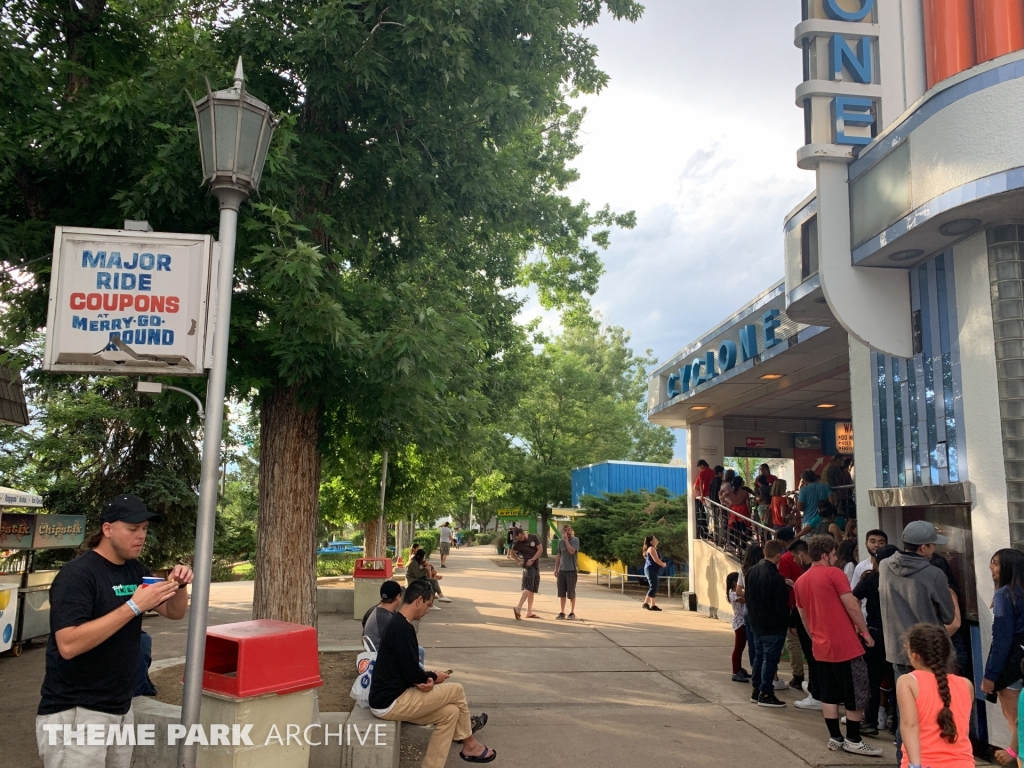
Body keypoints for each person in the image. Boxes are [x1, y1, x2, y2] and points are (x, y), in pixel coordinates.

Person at [36, 495, 193, 768]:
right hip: (76, 712)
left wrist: (179, 586)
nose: (141, 536)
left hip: (120, 707)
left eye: (144, 528)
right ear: (107, 529)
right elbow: (68, 645)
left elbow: (173, 612)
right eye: (132, 529)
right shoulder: (77, 575)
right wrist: (133, 606)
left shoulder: (135, 570)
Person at [369, 581, 494, 766]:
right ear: (419, 600)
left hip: (393, 696)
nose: (428, 610)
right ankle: (470, 744)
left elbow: (408, 670)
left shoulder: (399, 623)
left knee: (450, 713)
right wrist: (435, 677)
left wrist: (425, 679)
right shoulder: (401, 628)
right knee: (457, 690)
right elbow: (412, 673)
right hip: (390, 702)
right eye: (428, 605)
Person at [794, 535, 882, 756]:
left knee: (829, 693)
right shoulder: (834, 574)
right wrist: (865, 632)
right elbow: (851, 605)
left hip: (821, 645)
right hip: (845, 644)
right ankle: (853, 738)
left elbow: (803, 616)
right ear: (825, 555)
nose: (836, 558)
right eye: (834, 554)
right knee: (856, 691)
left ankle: (835, 736)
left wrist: (814, 636)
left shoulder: (800, 581)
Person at [879, 521, 957, 765]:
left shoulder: (884, 565)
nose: (935, 549)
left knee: (906, 714)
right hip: (930, 651)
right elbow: (948, 615)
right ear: (923, 547)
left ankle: (905, 761)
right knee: (935, 710)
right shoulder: (934, 574)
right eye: (933, 545)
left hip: (897, 649)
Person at [896, 623, 974, 768]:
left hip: (925, 762)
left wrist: (915, 765)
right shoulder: (966, 685)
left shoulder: (907, 682)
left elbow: (910, 725)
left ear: (915, 655)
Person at [982, 548, 1024, 766]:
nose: (991, 567)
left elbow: (1001, 639)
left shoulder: (1004, 595)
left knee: (1016, 725)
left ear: (1009, 568)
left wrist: (990, 675)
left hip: (1011, 666)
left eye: (996, 563)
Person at [852, 543, 898, 737]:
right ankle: (897, 723)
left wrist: (859, 625)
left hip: (875, 632)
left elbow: (853, 599)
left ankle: (870, 720)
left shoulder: (871, 578)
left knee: (872, 678)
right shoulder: (901, 578)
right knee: (898, 678)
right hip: (897, 633)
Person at [746, 540, 791, 708]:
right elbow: (781, 606)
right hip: (772, 624)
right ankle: (765, 692)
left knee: (759, 656)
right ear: (778, 555)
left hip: (756, 623)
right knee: (770, 659)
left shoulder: (752, 571)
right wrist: (787, 622)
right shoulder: (775, 577)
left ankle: (757, 689)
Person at [736, 544, 764, 668]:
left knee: (752, 641)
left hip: (748, 607)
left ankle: (754, 668)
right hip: (760, 607)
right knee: (763, 640)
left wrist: (748, 594)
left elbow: (738, 591)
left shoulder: (743, 570)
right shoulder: (762, 569)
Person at [510, 528, 542, 619]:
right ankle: (518, 607)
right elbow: (512, 553)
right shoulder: (518, 544)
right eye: (518, 539)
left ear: (524, 533)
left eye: (521, 538)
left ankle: (529, 612)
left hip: (535, 566)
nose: (520, 540)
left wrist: (532, 559)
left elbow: (540, 550)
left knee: (532, 590)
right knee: (528, 587)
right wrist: (519, 561)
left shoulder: (533, 537)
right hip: (528, 567)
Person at [362, 580, 404, 649]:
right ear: (398, 597)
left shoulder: (376, 610)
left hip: (381, 650)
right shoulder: (385, 618)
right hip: (380, 653)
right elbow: (399, 643)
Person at [795, 470, 836, 536]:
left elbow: (799, 507)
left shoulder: (803, 490)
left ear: (804, 480)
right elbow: (832, 503)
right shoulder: (826, 487)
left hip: (808, 521)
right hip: (824, 521)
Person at [727, 572, 750, 683]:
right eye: (739, 581)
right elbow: (745, 600)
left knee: (741, 647)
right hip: (740, 623)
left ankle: (739, 669)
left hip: (743, 622)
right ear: (734, 583)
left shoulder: (736, 593)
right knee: (738, 648)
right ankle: (736, 672)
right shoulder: (733, 594)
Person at [554, 524, 579, 620]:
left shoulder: (575, 540)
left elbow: (572, 551)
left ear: (571, 531)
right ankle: (562, 612)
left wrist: (566, 541)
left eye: (569, 530)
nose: (567, 532)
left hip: (571, 570)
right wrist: (556, 568)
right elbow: (559, 556)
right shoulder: (560, 542)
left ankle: (572, 612)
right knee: (561, 592)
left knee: (571, 592)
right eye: (565, 530)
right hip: (562, 570)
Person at [642, 534, 666, 611]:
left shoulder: (653, 548)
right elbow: (656, 560)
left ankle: (653, 605)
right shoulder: (651, 548)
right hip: (650, 570)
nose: (656, 539)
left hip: (653, 570)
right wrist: (663, 564)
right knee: (653, 587)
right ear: (651, 542)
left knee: (653, 586)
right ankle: (645, 603)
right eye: (654, 538)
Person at [694, 459, 716, 537]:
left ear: (702, 465)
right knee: (713, 514)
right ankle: (714, 532)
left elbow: (699, 485)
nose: (699, 469)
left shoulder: (702, 472)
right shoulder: (713, 472)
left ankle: (710, 532)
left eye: (699, 467)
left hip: (706, 496)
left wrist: (701, 494)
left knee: (709, 514)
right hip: (713, 496)